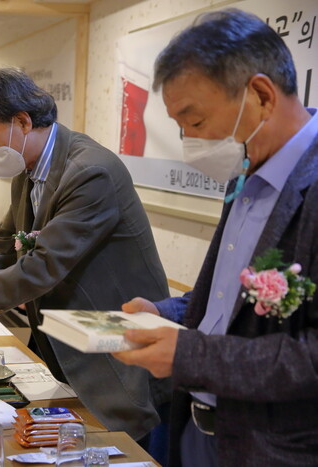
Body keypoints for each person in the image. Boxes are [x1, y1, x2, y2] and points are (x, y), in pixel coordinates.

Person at [0, 68, 170, 441]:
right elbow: (3, 247)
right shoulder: (29, 166)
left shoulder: (90, 172)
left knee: (120, 449)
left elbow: (41, 267)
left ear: (22, 121)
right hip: (61, 338)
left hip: (112, 350)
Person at [112, 9, 318, 466]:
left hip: (275, 449)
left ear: (260, 95)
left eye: (196, 121)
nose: (189, 141)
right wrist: (162, 312)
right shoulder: (243, 170)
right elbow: (229, 303)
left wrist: (193, 357)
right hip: (200, 431)